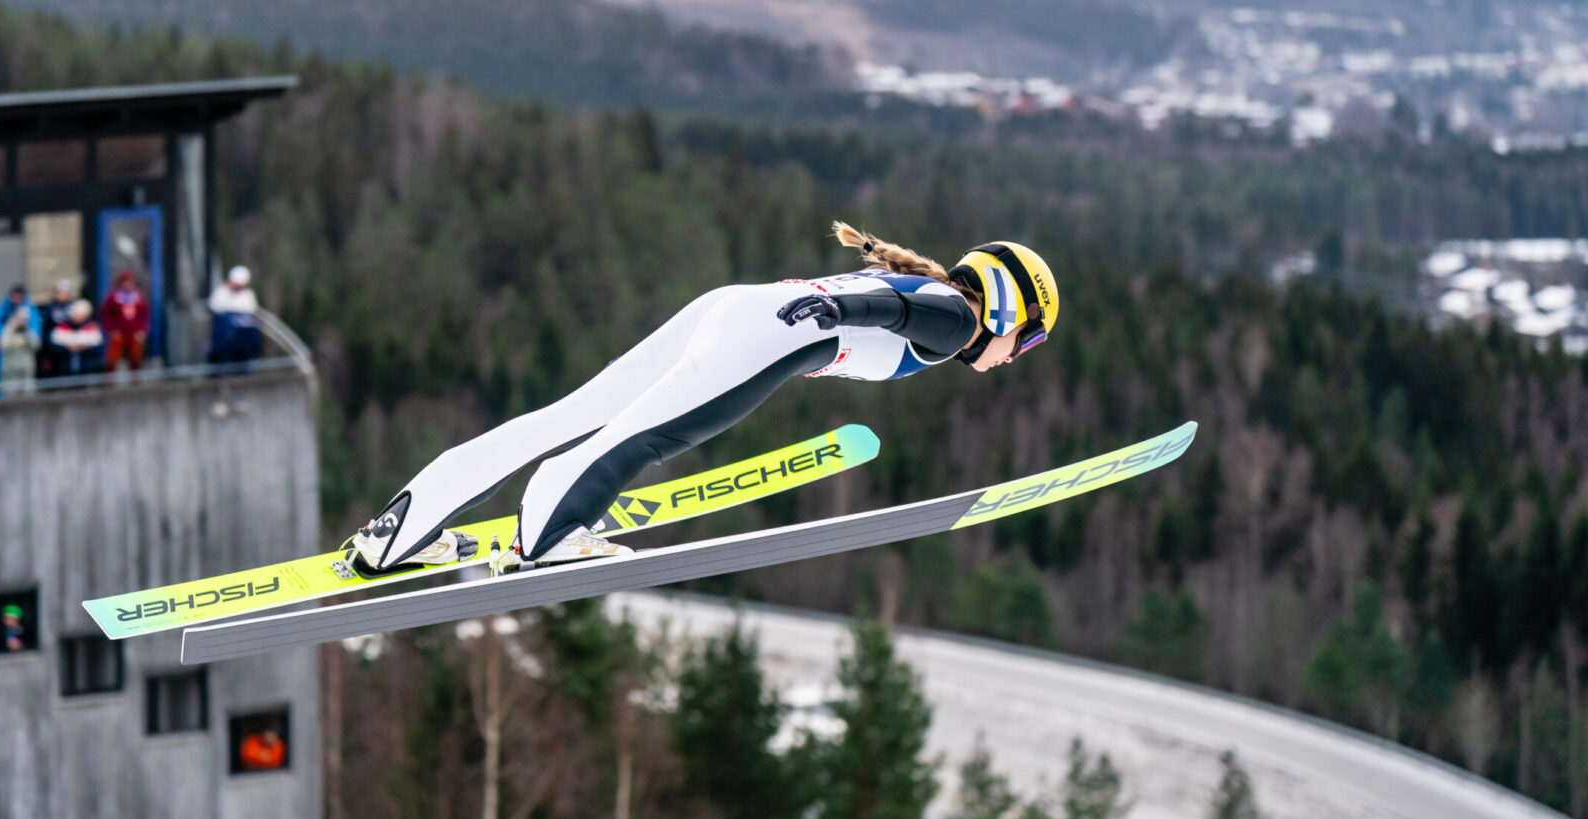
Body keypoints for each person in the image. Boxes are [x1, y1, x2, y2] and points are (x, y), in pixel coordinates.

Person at [348, 222, 1059, 575]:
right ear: (1004, 307)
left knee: (567, 417)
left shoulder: (936, 292)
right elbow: (894, 309)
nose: (1012, 357)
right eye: (1025, 340)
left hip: (733, 308)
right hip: (766, 336)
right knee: (643, 434)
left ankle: (396, 533)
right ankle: (548, 533)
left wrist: (829, 309)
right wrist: (834, 314)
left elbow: (891, 302)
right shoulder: (955, 316)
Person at [208, 264, 262, 364]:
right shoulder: (221, 292)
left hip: (242, 335)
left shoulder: (248, 294)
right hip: (225, 334)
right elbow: (216, 307)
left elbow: (251, 310)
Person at [100, 269, 150, 371]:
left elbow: (144, 315)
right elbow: (106, 314)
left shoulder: (139, 297)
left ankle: (135, 378)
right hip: (118, 332)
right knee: (113, 357)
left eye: (130, 282)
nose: (127, 285)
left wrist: (141, 330)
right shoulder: (113, 297)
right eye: (125, 282)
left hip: (134, 332)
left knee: (136, 357)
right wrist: (112, 329)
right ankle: (110, 377)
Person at [0, 289, 42, 392]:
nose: (21, 322)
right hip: (11, 368)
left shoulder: (29, 331)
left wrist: (27, 333)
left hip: (26, 368)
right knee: (11, 392)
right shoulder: (8, 330)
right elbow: (2, 344)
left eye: (24, 319)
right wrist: (11, 328)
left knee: (28, 392)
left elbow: (36, 345)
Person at [50, 298, 106, 378]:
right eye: (76, 314)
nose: (78, 317)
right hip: (65, 368)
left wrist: (84, 348)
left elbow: (98, 347)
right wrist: (67, 348)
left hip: (87, 368)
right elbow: (53, 346)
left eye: (80, 315)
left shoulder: (92, 327)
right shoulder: (62, 327)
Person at [39, 279, 79, 378]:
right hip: (55, 347)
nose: (63, 295)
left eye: (65, 293)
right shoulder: (51, 308)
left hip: (70, 346)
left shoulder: (73, 307)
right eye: (60, 293)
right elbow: (46, 329)